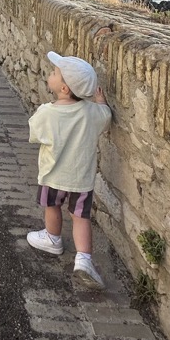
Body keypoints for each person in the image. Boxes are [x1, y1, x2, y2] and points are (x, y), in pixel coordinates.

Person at [26, 51, 111, 288]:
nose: (50, 74)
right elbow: (106, 117)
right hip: (81, 179)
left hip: (53, 175)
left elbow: (34, 133)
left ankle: (52, 238)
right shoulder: (92, 112)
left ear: (64, 88)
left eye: (54, 73)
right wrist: (101, 101)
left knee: (52, 207)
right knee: (80, 217)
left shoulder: (47, 112)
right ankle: (84, 259)